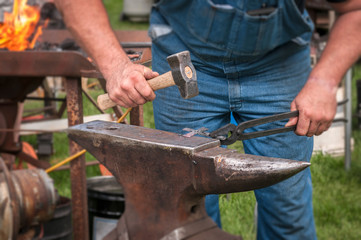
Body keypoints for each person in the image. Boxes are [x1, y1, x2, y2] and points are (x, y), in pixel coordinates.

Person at [54, 0, 361, 239]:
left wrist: (325, 82)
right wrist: (114, 65)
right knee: (184, 206)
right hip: (184, 56)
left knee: (287, 206)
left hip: (278, 63)